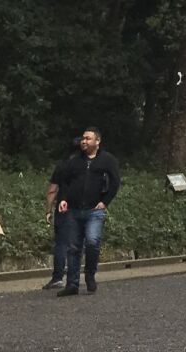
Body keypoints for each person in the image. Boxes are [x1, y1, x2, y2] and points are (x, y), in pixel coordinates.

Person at [52, 127, 121, 298]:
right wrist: (63, 199)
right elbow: (65, 182)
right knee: (73, 247)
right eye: (83, 138)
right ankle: (72, 284)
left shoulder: (107, 160)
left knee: (92, 242)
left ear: (97, 141)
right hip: (74, 209)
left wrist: (105, 202)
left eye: (88, 138)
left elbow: (115, 182)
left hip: (94, 210)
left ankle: (90, 275)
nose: (84, 141)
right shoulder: (75, 162)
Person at [41, 137, 81, 289]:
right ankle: (75, 277)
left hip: (63, 209)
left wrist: (48, 210)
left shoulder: (62, 166)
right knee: (77, 244)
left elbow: (52, 190)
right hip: (84, 208)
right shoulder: (88, 166)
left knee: (61, 244)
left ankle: (58, 277)